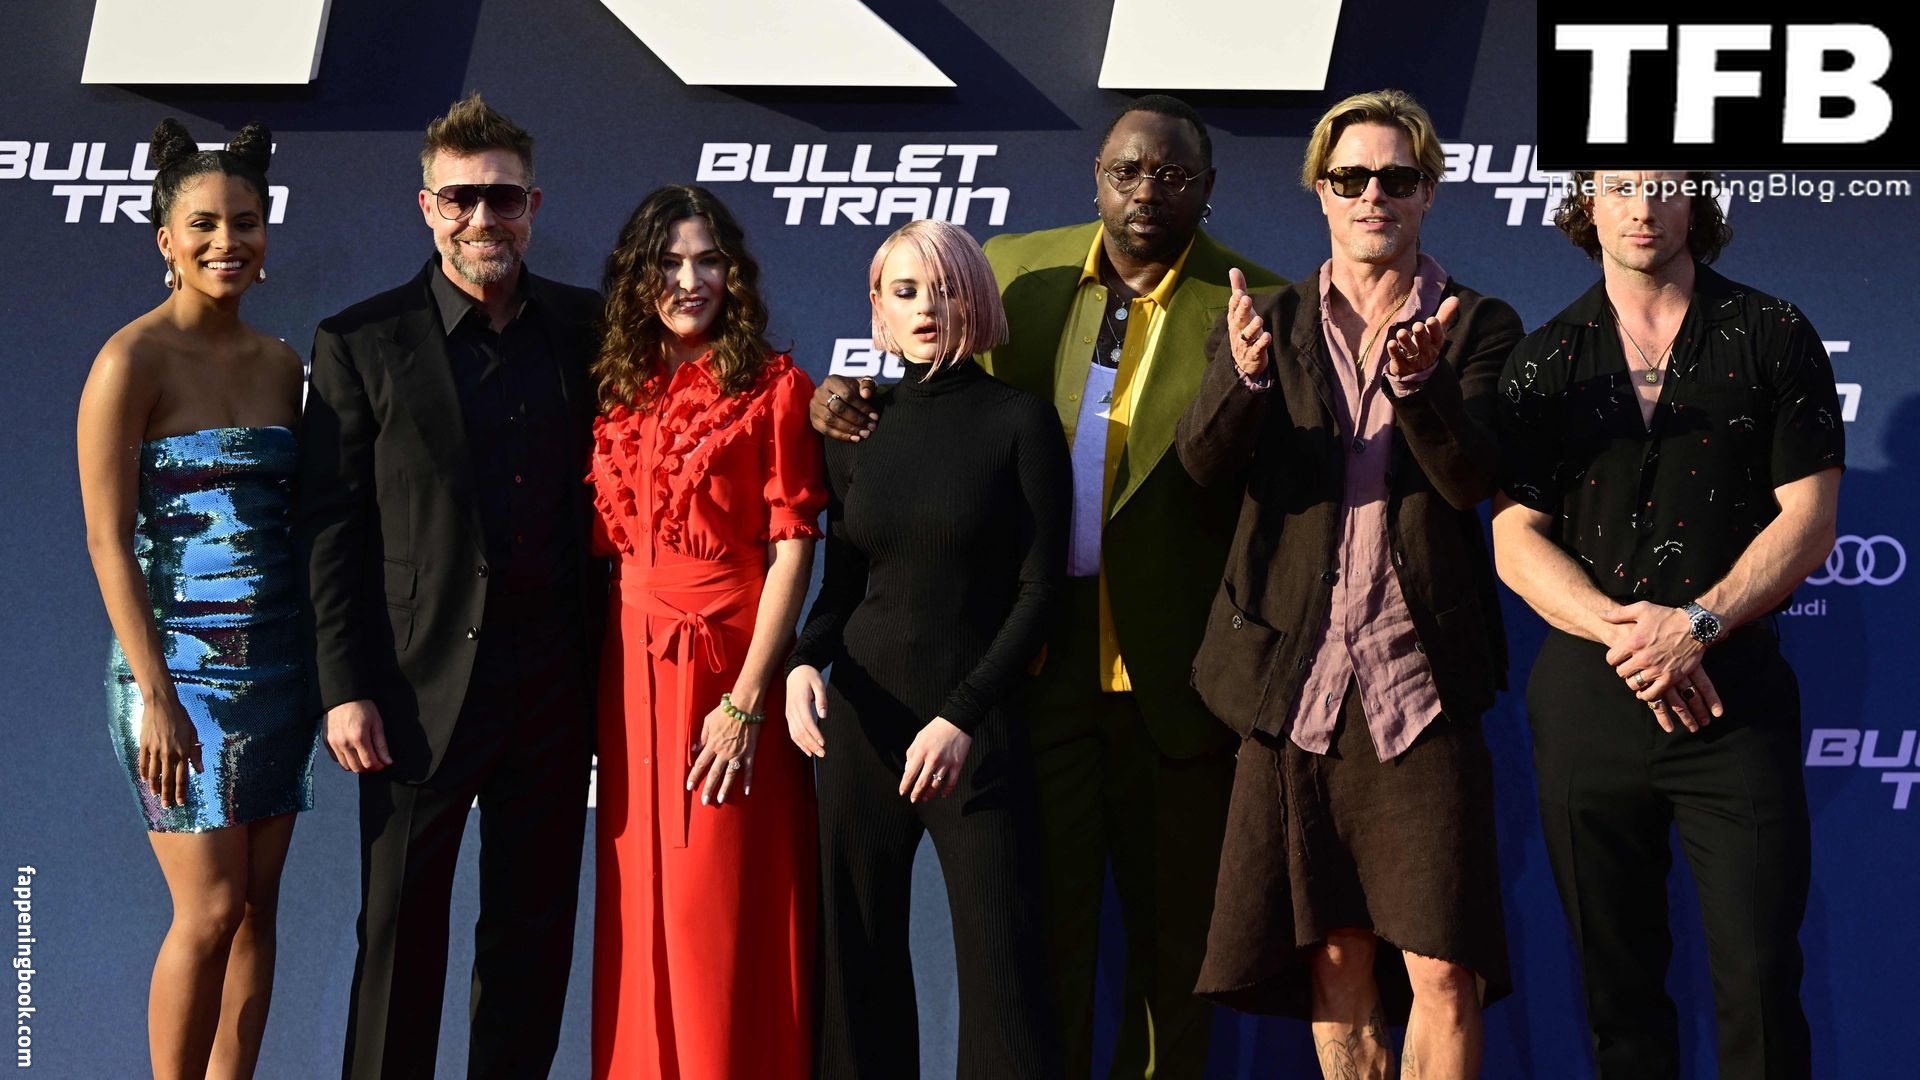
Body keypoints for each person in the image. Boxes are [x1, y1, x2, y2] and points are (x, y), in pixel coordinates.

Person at [811, 95, 1281, 1078]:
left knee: (1175, 952)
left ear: (1207, 187)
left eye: (1172, 175)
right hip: (1035, 674)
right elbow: (938, 402)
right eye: (1126, 170)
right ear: (1095, 176)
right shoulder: (1020, 270)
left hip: (1175, 681)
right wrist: (845, 396)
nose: (1146, 191)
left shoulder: (1254, 307)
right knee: (1037, 952)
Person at [1175, 89, 1519, 1079]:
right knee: (1334, 952)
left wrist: (1421, 386)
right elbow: (1201, 470)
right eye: (1351, 177)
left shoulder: (1477, 322)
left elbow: (1472, 479)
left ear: (1427, 193)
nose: (1374, 195)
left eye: (1396, 178)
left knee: (1445, 966)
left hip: (1420, 682)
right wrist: (1243, 380)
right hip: (1295, 681)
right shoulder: (1266, 321)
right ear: (1320, 191)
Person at [1492, 169, 1843, 1079]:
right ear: (1587, 204)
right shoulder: (1543, 358)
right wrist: (1632, 634)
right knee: (1618, 995)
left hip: (1734, 696)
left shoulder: (1772, 331)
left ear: (1697, 201)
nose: (1643, 206)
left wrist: (1695, 625)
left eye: (1664, 183)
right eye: (1620, 186)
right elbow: (1515, 539)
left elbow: (1809, 520)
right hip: (1591, 697)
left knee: (1760, 980)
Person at [295, 91, 605, 1078]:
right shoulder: (360, 340)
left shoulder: (590, 328)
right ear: (426, 208)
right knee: (398, 940)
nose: (483, 219)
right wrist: (344, 686)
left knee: (531, 941)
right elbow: (331, 527)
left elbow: (711, 389)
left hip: (556, 686)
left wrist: (837, 401)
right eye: (461, 199)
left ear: (533, 207)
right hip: (412, 690)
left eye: (503, 198)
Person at [786, 219, 1070, 1078]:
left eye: (943, 290)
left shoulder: (1020, 421)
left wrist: (961, 717)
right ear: (876, 306)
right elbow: (843, 586)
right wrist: (800, 663)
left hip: (973, 732)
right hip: (860, 724)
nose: (925, 308)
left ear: (973, 300)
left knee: (1004, 980)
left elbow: (1040, 592)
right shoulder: (857, 425)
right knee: (854, 969)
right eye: (904, 291)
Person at [77, 118, 312, 1080]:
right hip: (175, 670)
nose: (228, 241)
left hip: (280, 666)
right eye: (204, 224)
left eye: (245, 222)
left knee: (257, 909)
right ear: (165, 240)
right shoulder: (128, 361)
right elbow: (106, 540)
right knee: (209, 909)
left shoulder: (282, 363)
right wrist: (158, 695)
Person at [586, 184, 824, 1079]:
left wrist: (746, 702)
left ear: (735, 273)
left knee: (714, 909)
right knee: (637, 905)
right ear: (637, 276)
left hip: (726, 667)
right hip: (629, 674)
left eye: (708, 261)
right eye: (669, 263)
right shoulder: (620, 388)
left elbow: (793, 550)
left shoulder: (776, 387)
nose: (690, 281)